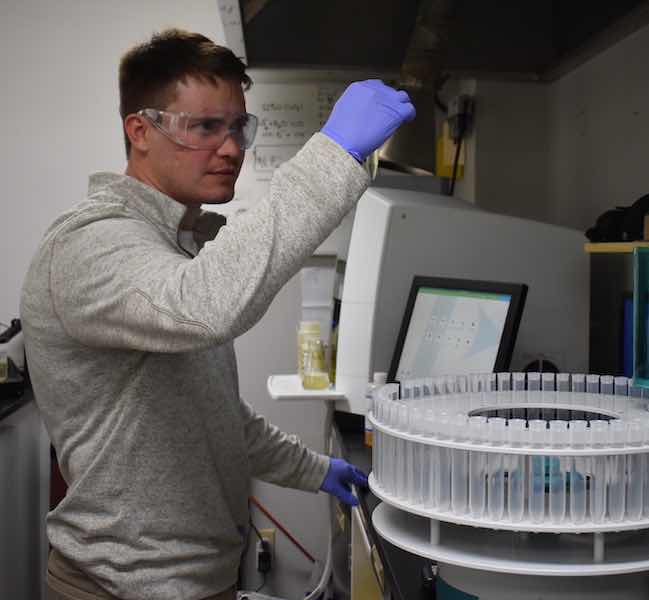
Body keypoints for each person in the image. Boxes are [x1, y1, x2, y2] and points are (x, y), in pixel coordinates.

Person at [20, 29, 415, 600]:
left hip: (191, 582)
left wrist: (316, 469)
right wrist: (334, 152)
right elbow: (204, 305)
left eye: (237, 127)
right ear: (140, 130)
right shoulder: (90, 243)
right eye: (206, 127)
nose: (231, 148)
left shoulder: (174, 245)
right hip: (120, 587)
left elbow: (212, 418)